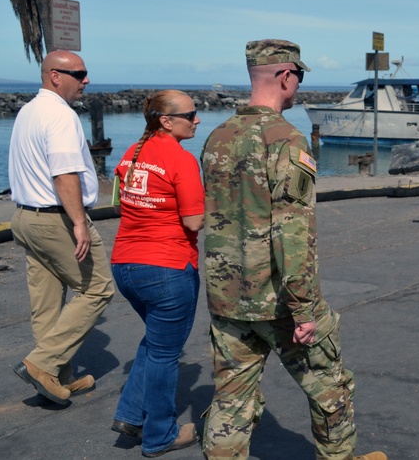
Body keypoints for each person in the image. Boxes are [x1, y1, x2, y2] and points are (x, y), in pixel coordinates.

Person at [201, 40, 385, 460]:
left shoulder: (217, 136)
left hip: (227, 297)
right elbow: (292, 231)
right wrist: (303, 308)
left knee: (232, 401)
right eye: (298, 77)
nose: (298, 86)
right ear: (286, 76)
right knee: (330, 388)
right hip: (280, 299)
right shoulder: (285, 138)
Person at [8, 50, 115, 405]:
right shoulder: (60, 115)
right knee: (97, 287)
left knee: (47, 299)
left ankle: (58, 375)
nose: (86, 80)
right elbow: (64, 173)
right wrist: (79, 224)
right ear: (55, 76)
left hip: (25, 217)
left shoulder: (29, 111)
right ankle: (41, 364)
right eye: (80, 73)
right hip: (55, 219)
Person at [110, 90, 205, 457]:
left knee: (156, 341)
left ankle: (131, 414)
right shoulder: (181, 160)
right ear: (165, 120)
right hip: (167, 268)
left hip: (126, 265)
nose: (197, 120)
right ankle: (159, 435)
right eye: (191, 114)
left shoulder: (132, 153)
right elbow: (193, 220)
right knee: (166, 353)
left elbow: (125, 204)